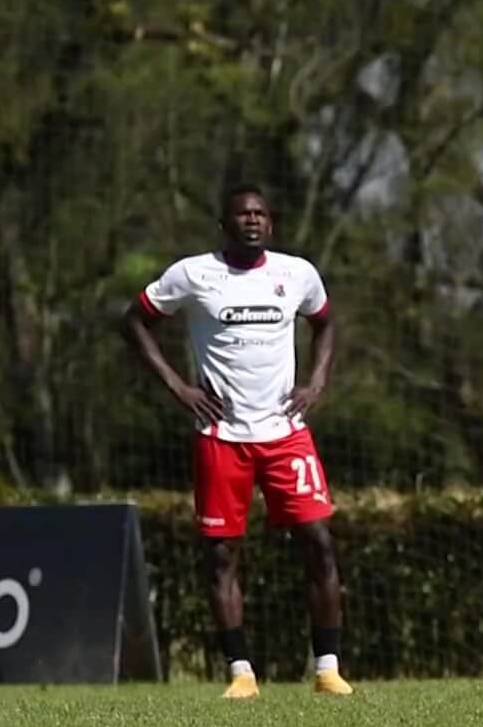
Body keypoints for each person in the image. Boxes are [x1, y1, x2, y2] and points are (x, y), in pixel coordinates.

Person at [124, 185, 350, 699]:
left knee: (318, 543)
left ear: (271, 223)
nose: (253, 221)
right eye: (242, 214)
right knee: (222, 556)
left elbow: (326, 322)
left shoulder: (296, 274)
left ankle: (328, 668)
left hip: (286, 435)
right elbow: (134, 321)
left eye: (261, 214)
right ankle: (241, 672)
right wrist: (178, 387)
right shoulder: (193, 275)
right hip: (221, 437)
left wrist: (316, 382)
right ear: (223, 224)